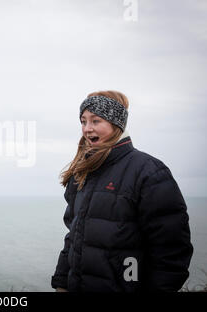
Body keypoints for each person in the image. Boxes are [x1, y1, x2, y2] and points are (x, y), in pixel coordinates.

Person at [51, 90, 193, 292]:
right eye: (83, 121)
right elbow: (74, 237)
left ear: (116, 123)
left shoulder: (149, 172)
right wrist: (61, 283)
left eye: (96, 121)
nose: (87, 129)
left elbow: (171, 251)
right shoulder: (82, 172)